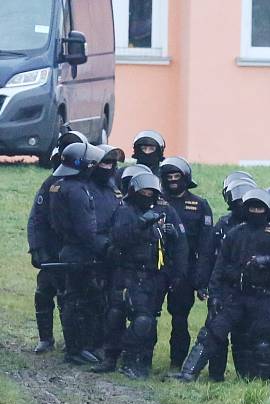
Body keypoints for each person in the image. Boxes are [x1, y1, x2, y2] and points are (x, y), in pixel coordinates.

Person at [174, 189, 270, 382]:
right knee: (212, 333)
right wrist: (214, 295)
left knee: (263, 342)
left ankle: (261, 383)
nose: (256, 211)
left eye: (259, 208)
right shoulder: (234, 234)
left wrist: (267, 261)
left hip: (264, 298)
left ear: (267, 210)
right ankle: (187, 374)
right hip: (234, 295)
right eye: (252, 208)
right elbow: (219, 267)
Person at [101, 173, 188, 378]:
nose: (148, 195)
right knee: (115, 315)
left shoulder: (166, 210)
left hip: (153, 275)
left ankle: (138, 360)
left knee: (145, 320)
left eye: (151, 192)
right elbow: (117, 238)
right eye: (144, 192)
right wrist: (140, 225)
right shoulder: (124, 210)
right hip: (126, 272)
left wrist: (178, 274)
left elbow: (181, 245)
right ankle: (112, 357)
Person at [26, 131, 88, 353]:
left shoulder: (90, 182)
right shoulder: (50, 183)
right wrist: (36, 247)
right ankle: (46, 338)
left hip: (78, 251)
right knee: (44, 291)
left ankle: (72, 341)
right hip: (52, 250)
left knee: (70, 296)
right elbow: (37, 218)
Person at [48, 141, 106, 364]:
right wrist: (102, 247)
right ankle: (76, 349)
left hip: (68, 249)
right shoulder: (78, 190)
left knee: (74, 298)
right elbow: (86, 229)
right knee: (79, 300)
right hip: (80, 252)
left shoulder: (59, 185)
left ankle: (77, 347)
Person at [157, 156, 215, 369]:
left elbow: (206, 247)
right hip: (156, 266)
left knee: (179, 318)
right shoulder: (155, 200)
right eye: (169, 177)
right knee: (145, 316)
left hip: (185, 269)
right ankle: (140, 359)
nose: (173, 180)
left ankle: (176, 362)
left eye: (176, 176)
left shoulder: (199, 205)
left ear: (185, 178)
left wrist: (201, 281)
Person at [205, 176, 258, 381]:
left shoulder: (267, 226)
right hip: (227, 286)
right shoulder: (224, 224)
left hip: (252, 289)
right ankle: (215, 375)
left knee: (244, 335)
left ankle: (244, 376)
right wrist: (207, 286)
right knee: (216, 332)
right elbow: (211, 256)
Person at [85, 145, 125, 353]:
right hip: (90, 251)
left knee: (113, 301)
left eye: (112, 163)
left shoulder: (114, 187)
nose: (108, 167)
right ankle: (90, 343)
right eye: (104, 162)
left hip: (113, 251)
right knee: (92, 299)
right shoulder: (83, 186)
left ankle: (110, 344)